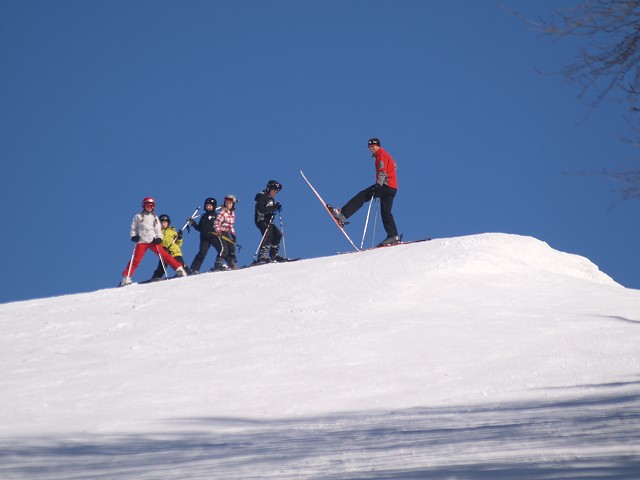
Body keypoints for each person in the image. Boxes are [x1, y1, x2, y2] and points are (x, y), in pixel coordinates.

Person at [329, 137, 402, 246]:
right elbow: (394, 165)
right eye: (370, 147)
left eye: (373, 147)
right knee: (386, 212)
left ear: (378, 146)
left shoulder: (381, 155)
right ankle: (393, 236)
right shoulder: (385, 155)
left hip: (385, 186)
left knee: (362, 195)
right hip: (392, 188)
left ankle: (342, 215)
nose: (371, 149)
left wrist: (378, 184)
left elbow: (382, 170)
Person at [120, 197, 188, 286]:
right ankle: (126, 277)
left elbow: (158, 229)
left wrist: (159, 238)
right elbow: (133, 228)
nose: (149, 208)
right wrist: (133, 236)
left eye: (151, 206)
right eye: (147, 205)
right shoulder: (138, 216)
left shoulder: (155, 217)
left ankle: (179, 268)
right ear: (143, 206)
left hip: (153, 241)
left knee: (165, 255)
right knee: (136, 260)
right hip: (142, 241)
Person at [254, 179, 286, 264]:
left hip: (268, 221)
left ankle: (273, 255)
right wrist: (273, 209)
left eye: (276, 192)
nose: (275, 193)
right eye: (274, 191)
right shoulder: (262, 197)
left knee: (278, 235)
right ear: (269, 189)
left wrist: (276, 208)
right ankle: (261, 256)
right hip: (261, 220)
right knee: (268, 235)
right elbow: (261, 209)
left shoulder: (271, 199)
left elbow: (271, 210)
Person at [150, 214, 189, 280]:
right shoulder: (158, 233)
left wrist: (179, 237)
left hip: (174, 252)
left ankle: (189, 273)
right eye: (162, 223)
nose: (163, 224)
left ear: (168, 223)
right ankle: (155, 278)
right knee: (161, 268)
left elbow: (178, 244)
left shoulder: (172, 231)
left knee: (180, 264)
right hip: (165, 252)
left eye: (165, 222)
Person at [188, 197, 220, 274]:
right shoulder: (203, 217)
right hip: (205, 237)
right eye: (207, 206)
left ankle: (222, 264)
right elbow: (200, 228)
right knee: (202, 253)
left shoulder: (216, 216)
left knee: (221, 249)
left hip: (214, 236)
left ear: (214, 206)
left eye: (210, 206)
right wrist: (193, 223)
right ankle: (194, 269)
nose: (208, 207)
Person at [213, 194, 238, 270]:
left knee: (232, 247)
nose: (228, 205)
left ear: (233, 204)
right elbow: (216, 223)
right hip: (220, 232)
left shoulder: (232, 214)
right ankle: (218, 264)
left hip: (226, 233)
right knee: (224, 249)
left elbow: (230, 225)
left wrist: (233, 234)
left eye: (230, 203)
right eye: (226, 203)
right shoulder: (222, 213)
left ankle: (231, 262)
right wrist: (218, 231)